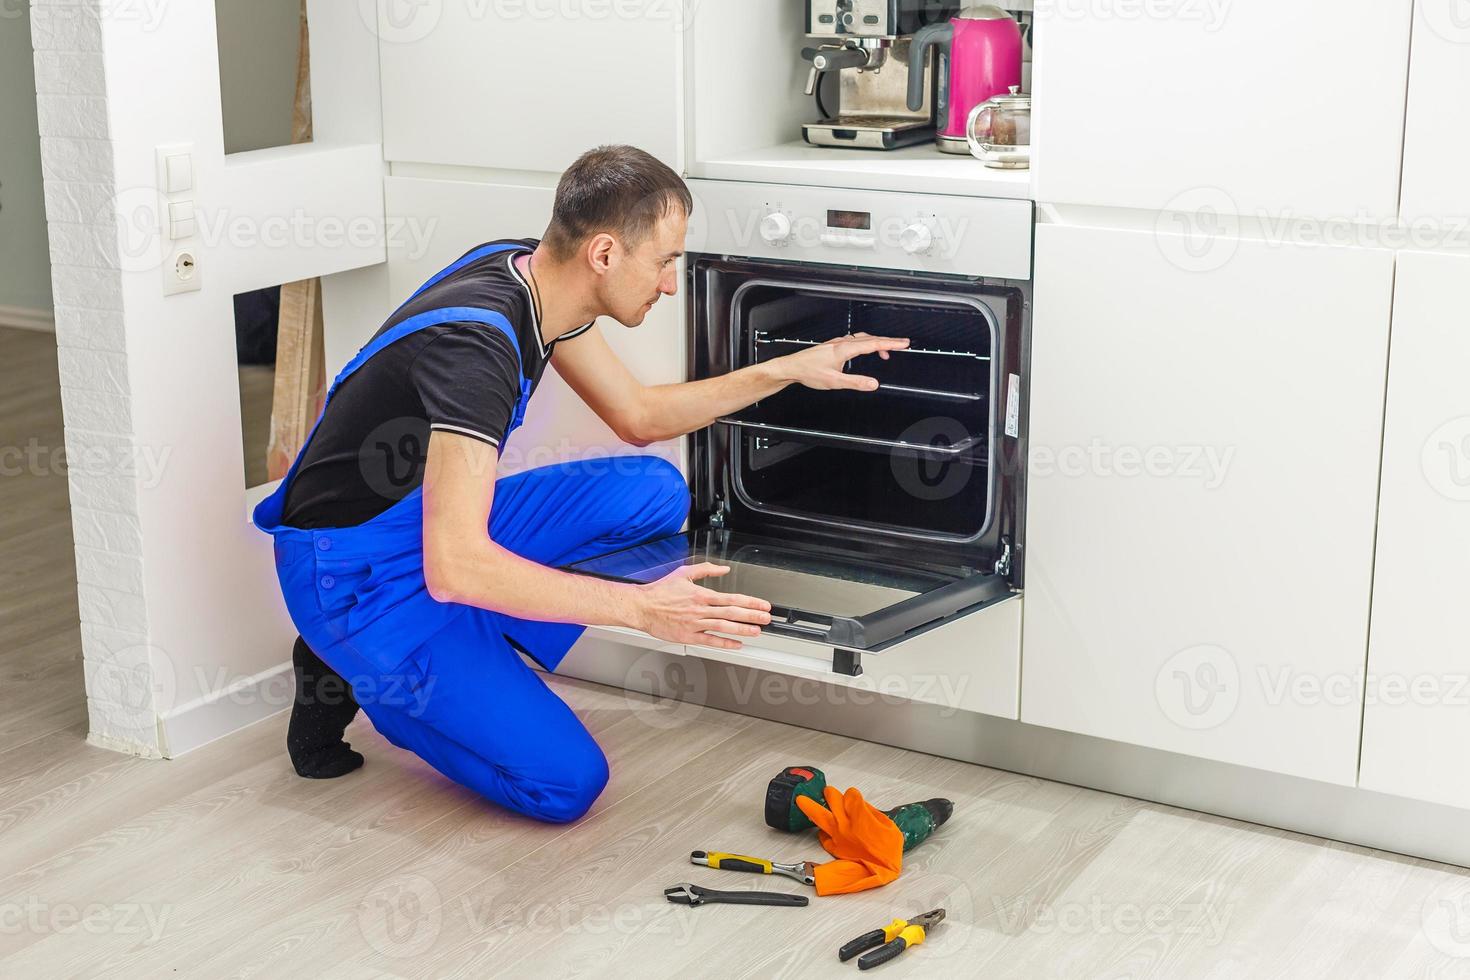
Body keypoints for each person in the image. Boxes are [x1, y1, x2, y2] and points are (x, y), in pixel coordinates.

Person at [252, 145, 908, 823]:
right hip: (353, 576)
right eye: (664, 262)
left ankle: (458, 643)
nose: (670, 283)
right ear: (603, 254)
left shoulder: (530, 273)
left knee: (652, 492)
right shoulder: (477, 353)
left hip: (423, 522)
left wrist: (789, 370)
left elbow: (639, 416)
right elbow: (453, 568)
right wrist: (642, 609)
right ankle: (357, 672)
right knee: (565, 785)